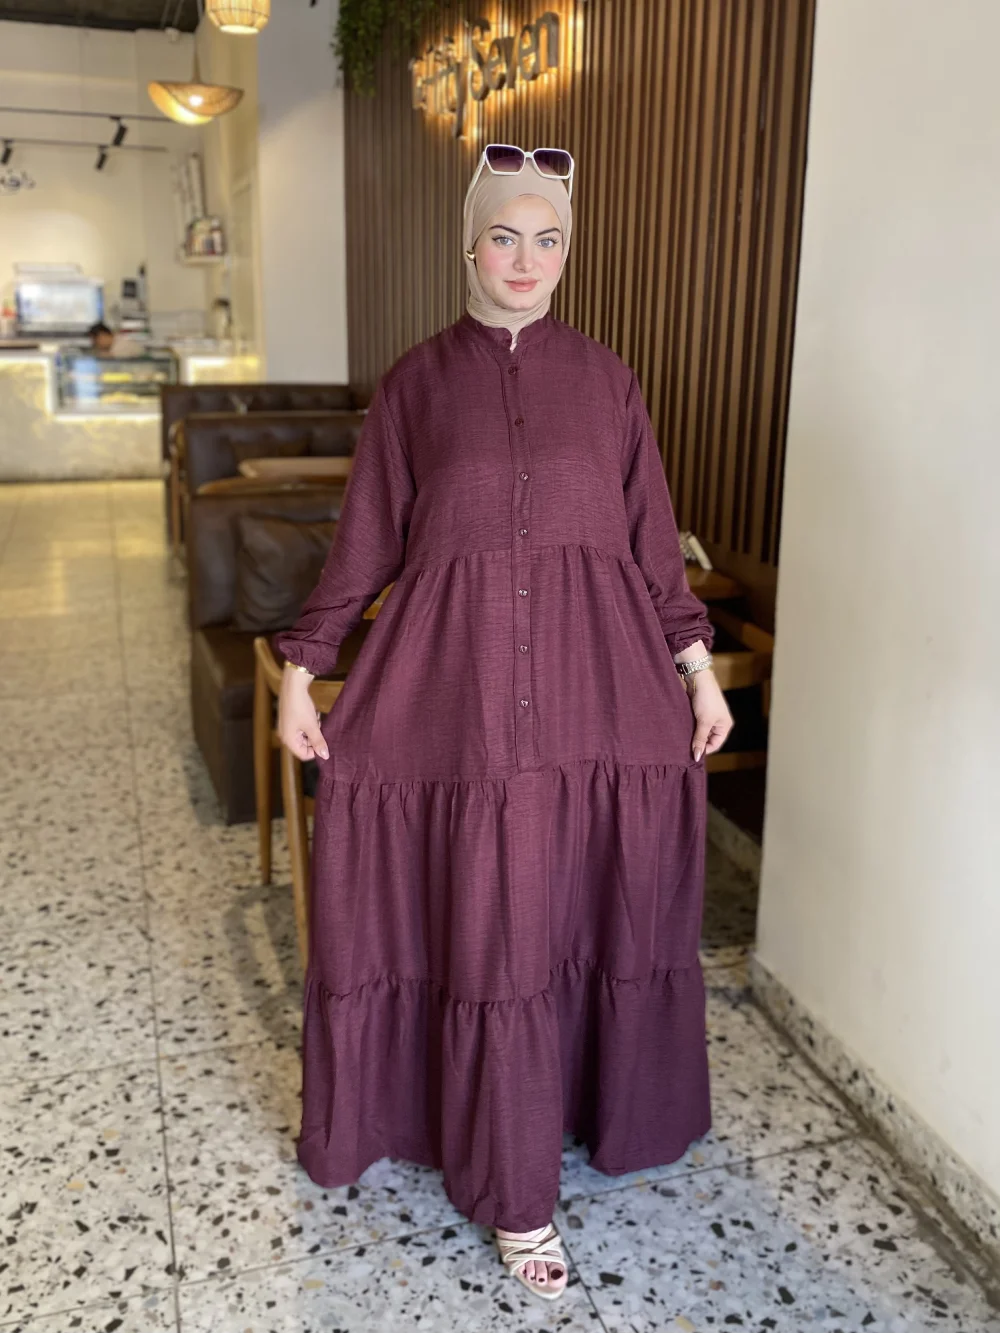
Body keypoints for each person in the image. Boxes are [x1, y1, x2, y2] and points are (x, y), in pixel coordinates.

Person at [275, 144, 733, 1302]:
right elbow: (364, 547)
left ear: (567, 253)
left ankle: (577, 1115)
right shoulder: (414, 387)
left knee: (578, 912)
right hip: (454, 700)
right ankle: (514, 1190)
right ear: (468, 245)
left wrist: (697, 671)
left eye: (549, 239)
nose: (526, 261)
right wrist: (302, 668)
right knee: (490, 930)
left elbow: (653, 546)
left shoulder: (609, 381)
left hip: (599, 696)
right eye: (504, 236)